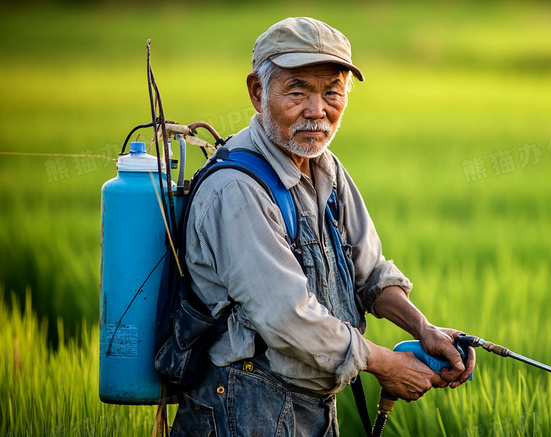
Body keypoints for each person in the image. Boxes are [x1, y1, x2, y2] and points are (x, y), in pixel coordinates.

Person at [171, 17, 475, 436]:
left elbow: (369, 274)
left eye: (332, 92)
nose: (318, 112)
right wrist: (385, 363)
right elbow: (287, 317)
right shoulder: (235, 191)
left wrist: (424, 329)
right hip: (242, 409)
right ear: (258, 92)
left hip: (313, 406)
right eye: (297, 91)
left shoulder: (325, 169)